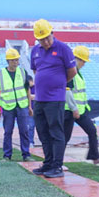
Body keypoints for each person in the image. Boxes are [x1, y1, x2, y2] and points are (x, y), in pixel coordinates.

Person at [30, 19, 76, 178]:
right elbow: (36, 71)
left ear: (52, 33)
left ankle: (57, 166)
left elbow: (72, 71)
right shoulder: (35, 51)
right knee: (42, 132)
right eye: (41, 40)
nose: (45, 42)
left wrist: (58, 84)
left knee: (56, 132)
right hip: (39, 99)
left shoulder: (63, 48)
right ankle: (48, 163)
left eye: (47, 38)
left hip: (55, 99)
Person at [63, 46, 99, 164]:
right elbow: (67, 92)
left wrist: (83, 108)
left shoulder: (78, 73)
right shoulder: (70, 72)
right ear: (77, 59)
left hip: (81, 110)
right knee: (65, 137)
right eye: (84, 61)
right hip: (69, 110)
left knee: (92, 130)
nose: (84, 64)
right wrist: (74, 108)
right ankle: (57, 162)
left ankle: (94, 156)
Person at [0, 48, 33, 161]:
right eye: (13, 60)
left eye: (17, 60)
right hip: (8, 107)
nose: (16, 62)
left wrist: (29, 106)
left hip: (22, 106)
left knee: (24, 131)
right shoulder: (0, 74)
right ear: (8, 61)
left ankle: (26, 154)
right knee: (8, 132)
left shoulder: (23, 72)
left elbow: (27, 90)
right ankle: (7, 155)